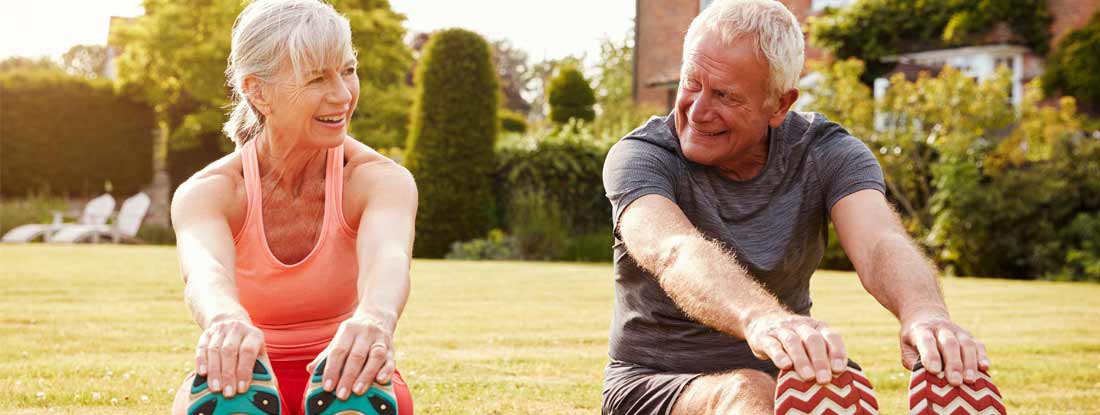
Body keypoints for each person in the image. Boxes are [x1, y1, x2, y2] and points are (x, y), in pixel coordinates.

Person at [600, 1, 999, 414]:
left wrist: (924, 312)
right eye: (691, 83)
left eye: (724, 95)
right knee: (750, 391)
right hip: (654, 383)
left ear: (779, 104)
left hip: (791, 374)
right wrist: (761, 318)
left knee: (803, 384)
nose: (698, 111)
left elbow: (880, 239)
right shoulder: (641, 157)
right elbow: (674, 251)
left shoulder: (826, 152)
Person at [168, 1, 416, 414]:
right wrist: (224, 320)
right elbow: (204, 271)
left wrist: (375, 319)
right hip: (246, 375)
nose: (342, 95)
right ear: (257, 91)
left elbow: (388, 259)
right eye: (318, 78)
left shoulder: (378, 180)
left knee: (357, 403)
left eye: (349, 71)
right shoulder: (210, 192)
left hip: (345, 375)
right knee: (226, 403)